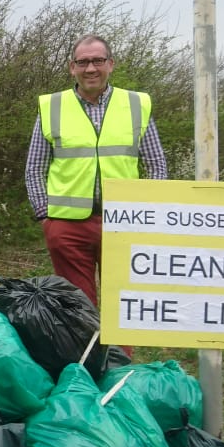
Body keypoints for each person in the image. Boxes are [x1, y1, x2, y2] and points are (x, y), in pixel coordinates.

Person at [25, 34, 167, 315]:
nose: (91, 69)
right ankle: (85, 359)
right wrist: (46, 216)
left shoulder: (137, 104)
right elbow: (34, 167)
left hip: (125, 222)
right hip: (67, 226)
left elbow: (157, 164)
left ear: (111, 64)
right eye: (83, 62)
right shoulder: (52, 106)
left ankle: (120, 361)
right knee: (77, 306)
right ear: (72, 67)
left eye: (98, 61)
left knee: (125, 302)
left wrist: (150, 214)